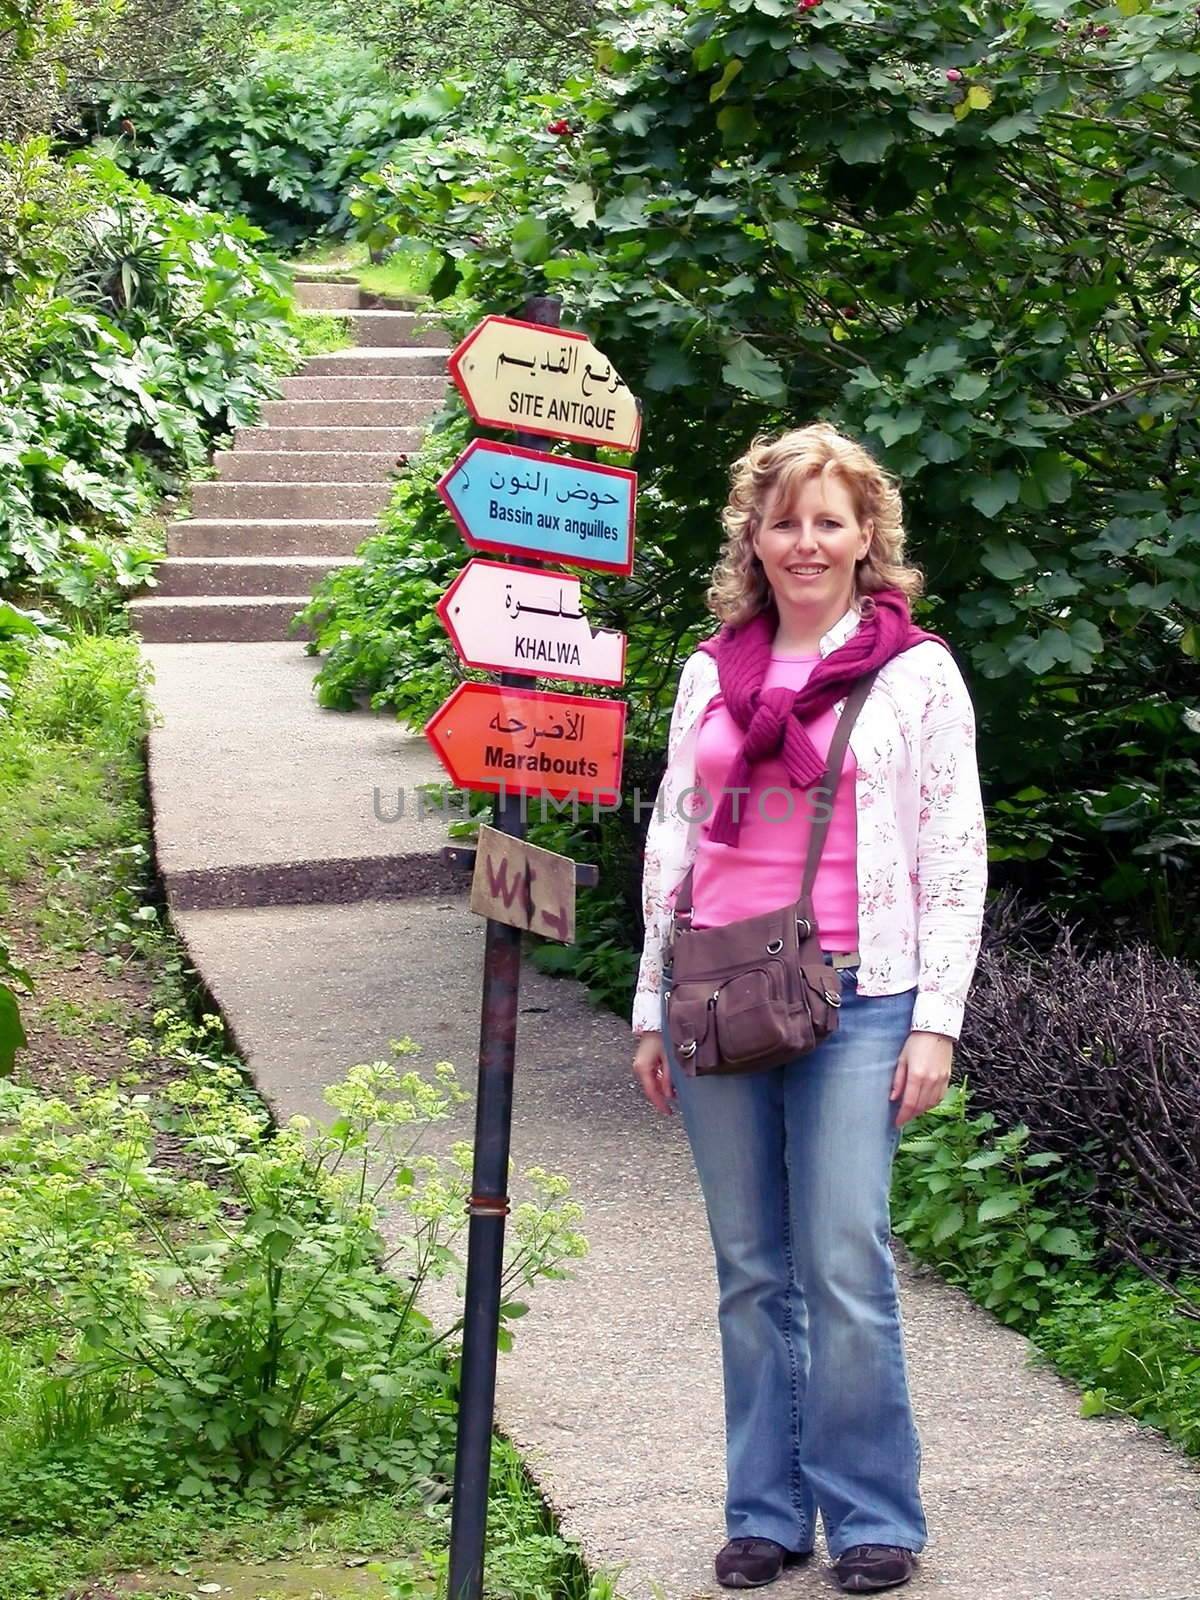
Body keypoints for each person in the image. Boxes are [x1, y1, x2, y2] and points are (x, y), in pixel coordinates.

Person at [630, 423, 988, 1594]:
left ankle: (874, 1514)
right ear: (754, 534)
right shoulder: (708, 670)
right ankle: (766, 1512)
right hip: (719, 993)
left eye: (828, 520)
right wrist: (649, 1005)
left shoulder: (914, 673)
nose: (805, 541)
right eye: (784, 520)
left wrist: (938, 1015)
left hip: (863, 993)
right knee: (748, 1266)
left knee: (843, 1258)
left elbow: (952, 849)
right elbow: (673, 843)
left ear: (868, 533)